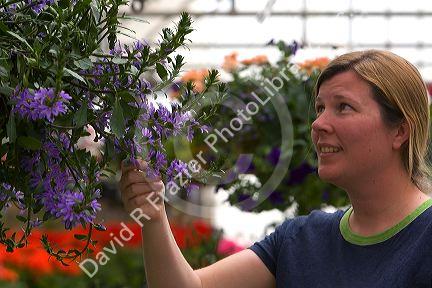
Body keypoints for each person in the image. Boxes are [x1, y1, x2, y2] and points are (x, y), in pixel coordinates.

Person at [119, 50, 432, 288]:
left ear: (400, 131)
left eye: (343, 107)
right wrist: (153, 214)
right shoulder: (301, 240)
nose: (319, 124)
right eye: (320, 108)